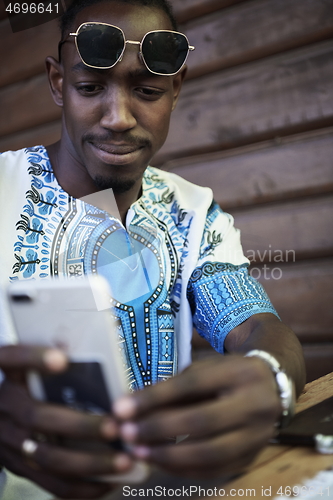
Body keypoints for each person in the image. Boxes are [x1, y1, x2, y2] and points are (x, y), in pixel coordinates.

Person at [0, 0, 306, 498]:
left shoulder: (191, 210)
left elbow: (254, 325)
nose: (119, 118)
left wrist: (272, 381)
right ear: (58, 83)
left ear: (176, 89)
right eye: (89, 87)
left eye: (146, 90)